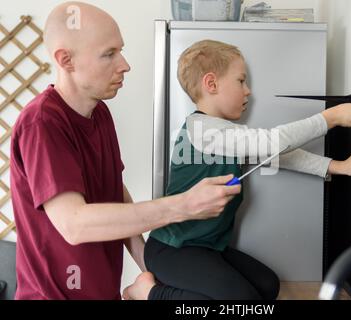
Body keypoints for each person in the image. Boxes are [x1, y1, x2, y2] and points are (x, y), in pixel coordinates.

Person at [10, 3, 241, 300]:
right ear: (65, 60)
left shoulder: (100, 113)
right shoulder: (42, 123)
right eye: (109, 54)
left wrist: (151, 266)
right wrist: (183, 205)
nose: (124, 64)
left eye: (120, 50)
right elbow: (75, 224)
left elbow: (114, 192)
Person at [123, 40, 351, 300]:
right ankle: (148, 292)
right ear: (211, 84)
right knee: (244, 301)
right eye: (241, 81)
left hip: (206, 247)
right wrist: (329, 119)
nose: (248, 91)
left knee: (267, 286)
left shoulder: (224, 134)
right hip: (173, 248)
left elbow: (275, 154)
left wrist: (338, 166)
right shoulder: (203, 129)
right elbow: (272, 141)